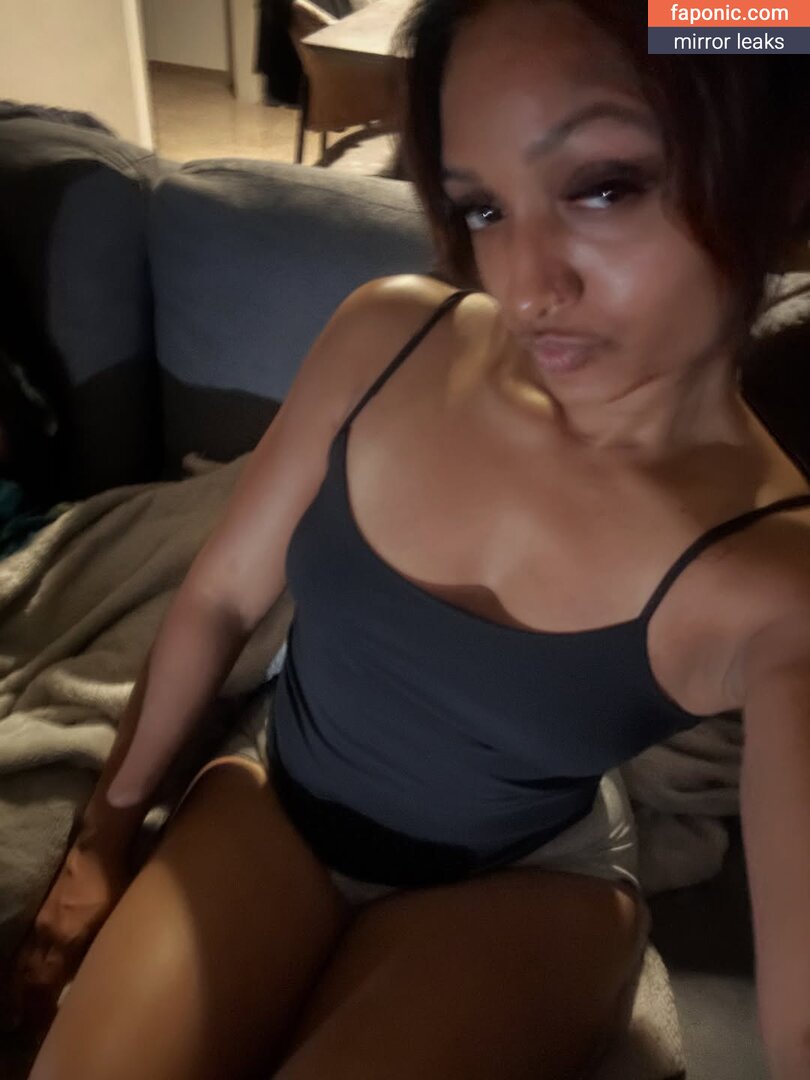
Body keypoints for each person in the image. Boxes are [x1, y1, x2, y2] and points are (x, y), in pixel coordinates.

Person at [14, 0, 810, 1076]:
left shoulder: (777, 576)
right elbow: (220, 598)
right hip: (279, 793)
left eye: (605, 186)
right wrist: (102, 839)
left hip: (526, 886)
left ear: (771, 174)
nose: (528, 285)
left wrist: (735, 22)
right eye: (483, 208)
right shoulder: (390, 333)